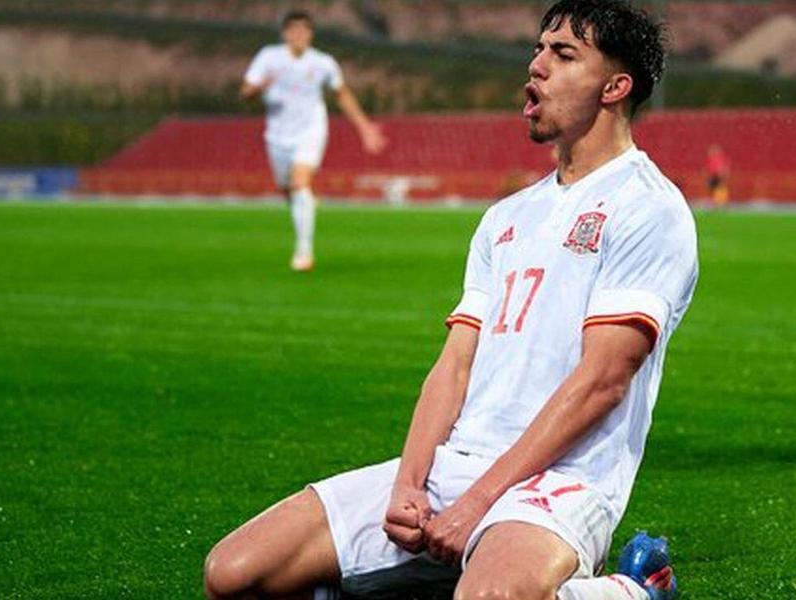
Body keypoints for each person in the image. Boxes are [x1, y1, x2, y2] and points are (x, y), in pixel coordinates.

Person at [204, 1, 697, 599]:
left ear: (616, 87)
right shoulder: (505, 217)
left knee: (490, 598)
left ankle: (630, 591)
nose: (536, 65)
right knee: (234, 575)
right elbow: (454, 364)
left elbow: (603, 382)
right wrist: (409, 485)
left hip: (558, 483)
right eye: (539, 48)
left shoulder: (648, 207)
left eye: (563, 54)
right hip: (453, 469)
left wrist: (478, 502)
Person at [241, 10, 387, 272]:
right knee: (289, 190)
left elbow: (342, 94)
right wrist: (258, 87)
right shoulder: (268, 57)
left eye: (304, 30)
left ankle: (303, 252)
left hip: (310, 129)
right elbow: (246, 91)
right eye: (293, 30)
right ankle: (305, 200)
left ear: (310, 34)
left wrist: (364, 128)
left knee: (299, 183)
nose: (298, 35)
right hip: (277, 134)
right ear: (285, 33)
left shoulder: (322, 63)